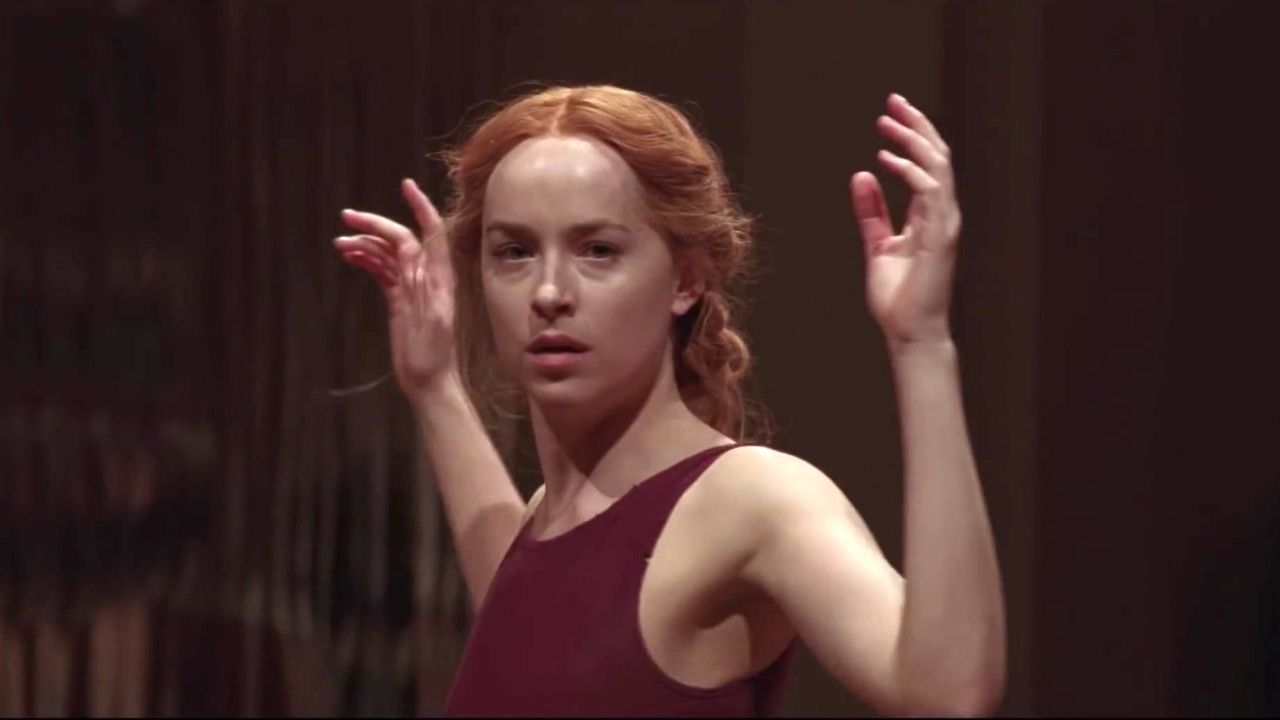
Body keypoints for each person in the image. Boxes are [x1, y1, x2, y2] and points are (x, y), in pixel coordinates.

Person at [332, 85, 1005, 717]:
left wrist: (921, 342)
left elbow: (948, 693)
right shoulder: (553, 517)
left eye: (598, 250)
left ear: (687, 279)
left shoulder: (750, 499)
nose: (549, 292)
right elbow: (539, 633)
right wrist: (434, 388)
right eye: (514, 252)